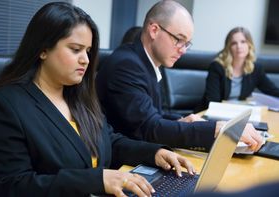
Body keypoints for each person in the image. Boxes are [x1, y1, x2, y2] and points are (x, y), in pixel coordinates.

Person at [0, 2, 197, 197]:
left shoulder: (77, 96)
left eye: (89, 51)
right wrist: (97, 180)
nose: (85, 59)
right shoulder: (2, 106)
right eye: (75, 50)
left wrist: (155, 153)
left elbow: (108, 141)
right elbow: (10, 186)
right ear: (43, 49)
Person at [96, 1, 263, 152]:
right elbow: (149, 128)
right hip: (118, 165)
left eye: (187, 43)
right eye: (179, 39)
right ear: (154, 30)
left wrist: (181, 121)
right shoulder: (127, 65)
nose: (183, 50)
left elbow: (151, 115)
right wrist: (219, 129)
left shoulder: (145, 62)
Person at [197, 27, 279, 112]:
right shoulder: (217, 67)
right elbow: (212, 101)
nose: (239, 46)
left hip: (238, 114)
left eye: (243, 42)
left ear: (249, 45)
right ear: (229, 47)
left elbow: (272, 90)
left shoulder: (255, 69)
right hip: (213, 114)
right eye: (234, 43)